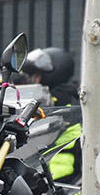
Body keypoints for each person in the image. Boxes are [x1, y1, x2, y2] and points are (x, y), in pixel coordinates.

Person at [21, 47, 82, 183]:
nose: (34, 80)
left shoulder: (59, 100)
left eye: (37, 76)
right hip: (51, 172)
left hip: (60, 175)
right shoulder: (67, 96)